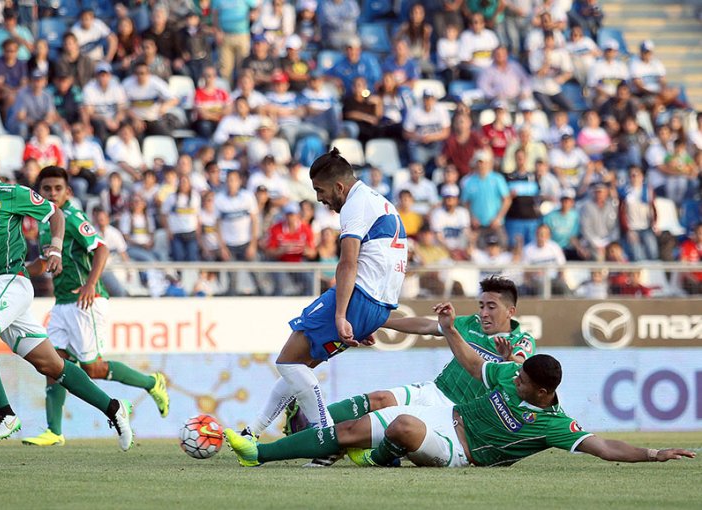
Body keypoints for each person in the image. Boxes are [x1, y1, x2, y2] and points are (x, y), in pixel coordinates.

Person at [225, 301, 696, 468]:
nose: (515, 379)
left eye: (493, 305)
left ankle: (378, 457)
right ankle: (259, 453)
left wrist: (654, 454)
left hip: (460, 448)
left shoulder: (550, 415)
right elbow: (474, 364)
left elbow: (605, 446)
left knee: (400, 427)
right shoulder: (510, 372)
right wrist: (392, 321)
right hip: (442, 409)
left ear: (543, 392)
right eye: (483, 304)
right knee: (366, 415)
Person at [0, 136, 134, 447]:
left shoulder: (11, 194)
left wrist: (54, 249)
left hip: (10, 283)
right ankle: (114, 408)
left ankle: (5, 413)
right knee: (52, 366)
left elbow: (55, 214)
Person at [236, 149, 407, 464]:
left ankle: (329, 440)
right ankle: (253, 432)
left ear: (339, 188)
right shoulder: (379, 201)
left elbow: (347, 263)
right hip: (377, 303)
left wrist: (342, 314)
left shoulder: (355, 205)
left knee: (288, 363)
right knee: (298, 367)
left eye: (320, 191)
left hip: (359, 297)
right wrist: (366, 319)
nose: (319, 199)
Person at [21, 166, 169, 447]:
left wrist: (90, 284)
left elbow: (101, 248)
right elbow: (44, 262)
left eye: (57, 189)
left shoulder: (73, 217)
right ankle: (54, 431)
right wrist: (21, 272)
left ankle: (152, 383)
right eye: (47, 189)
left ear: (68, 191)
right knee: (53, 365)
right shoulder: (45, 223)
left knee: (93, 369)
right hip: (62, 303)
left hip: (85, 302)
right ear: (39, 192)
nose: (52, 194)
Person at [283, 275, 533, 434]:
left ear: (510, 311)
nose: (485, 313)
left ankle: (344, 445)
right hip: (435, 390)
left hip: (462, 413)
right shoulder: (471, 323)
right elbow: (424, 326)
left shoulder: (521, 340)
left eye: (492, 307)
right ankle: (310, 422)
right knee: (379, 399)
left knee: (390, 429)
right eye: (482, 306)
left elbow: (520, 371)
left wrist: (508, 359)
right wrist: (377, 321)